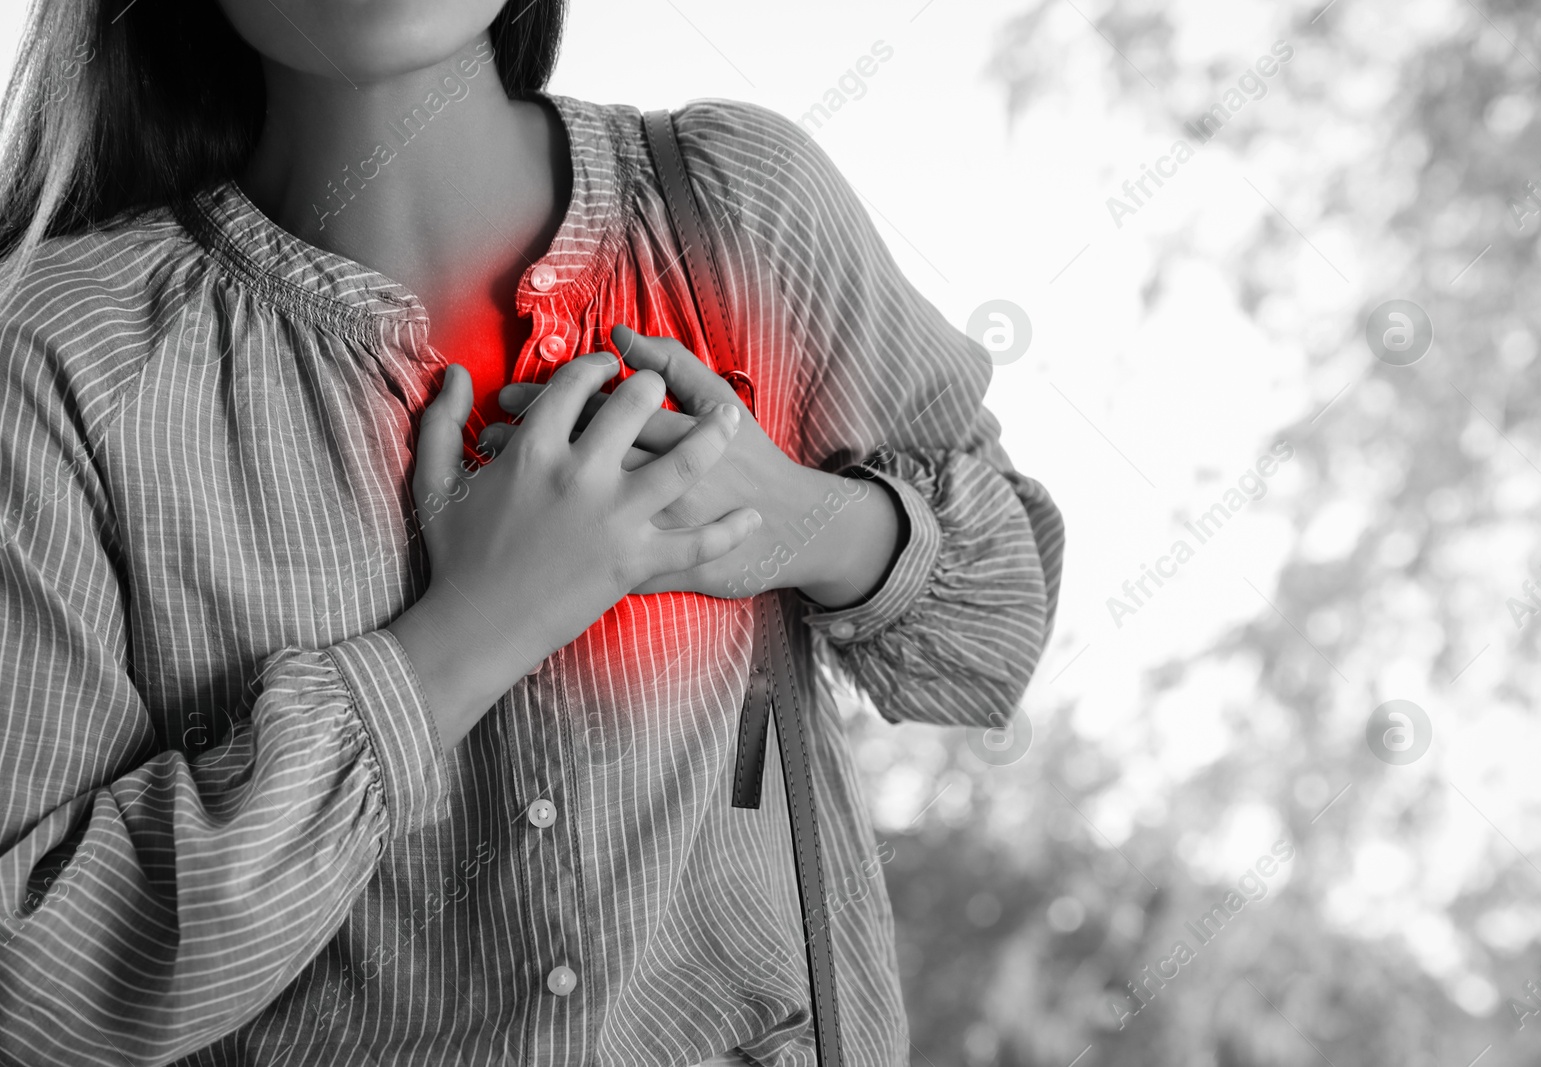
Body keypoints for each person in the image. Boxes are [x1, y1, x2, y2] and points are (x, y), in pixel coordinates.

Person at [0, 0, 1065, 1063]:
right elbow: (33, 995)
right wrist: (464, 636)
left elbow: (991, 640)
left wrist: (804, 521)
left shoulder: (738, 209)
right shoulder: (58, 355)